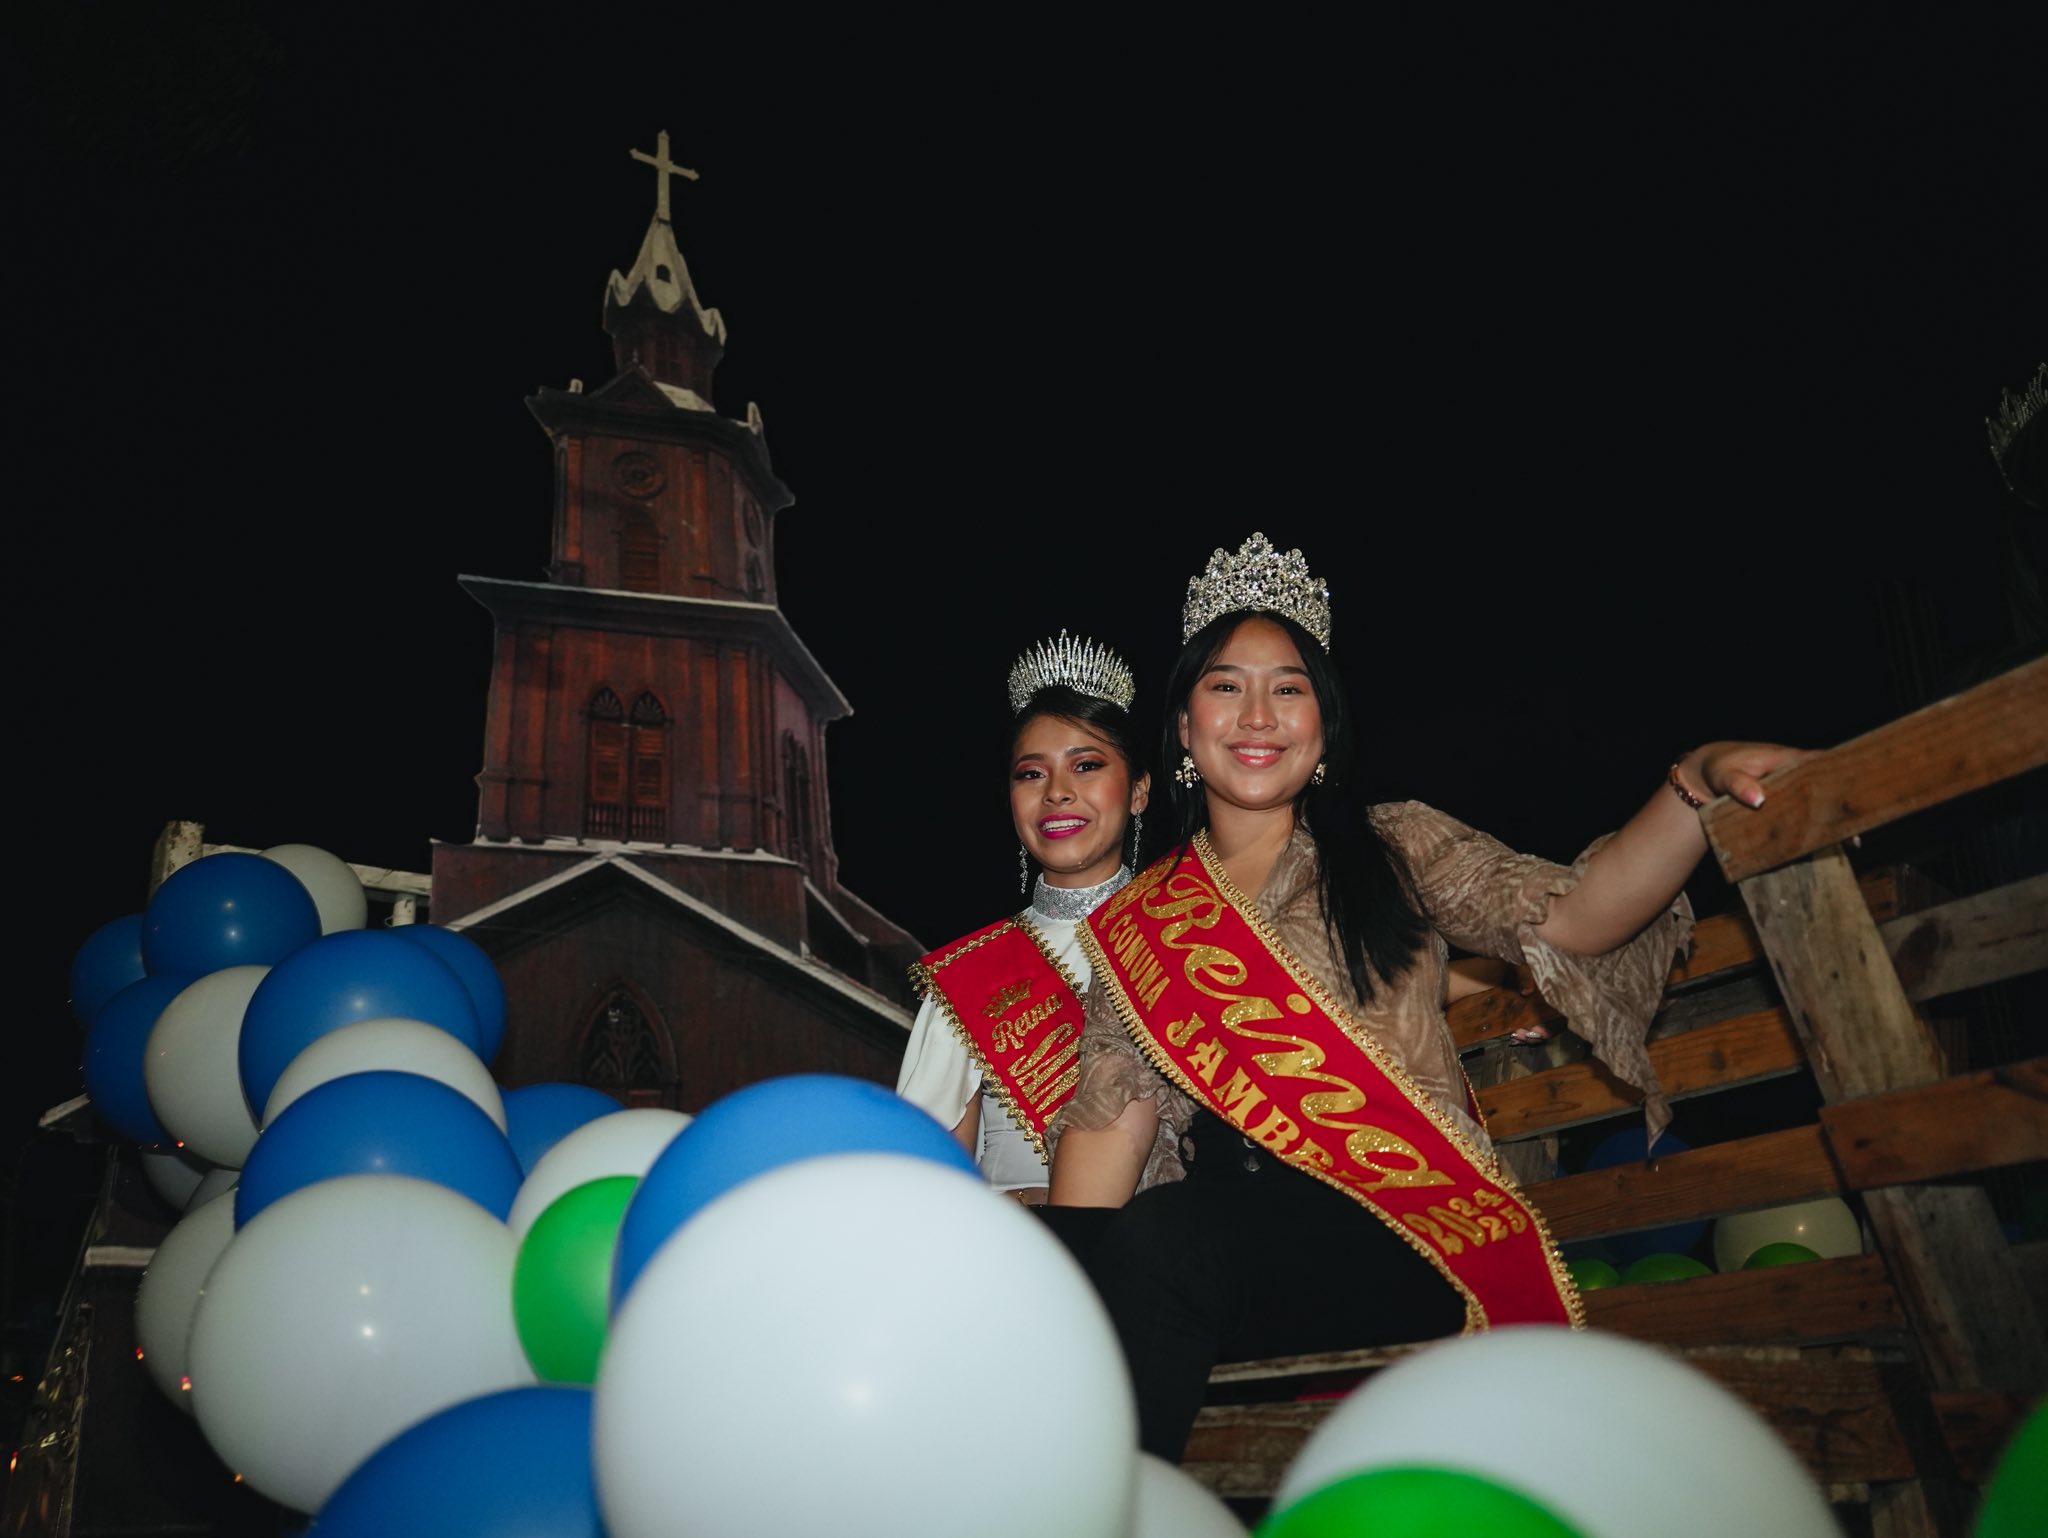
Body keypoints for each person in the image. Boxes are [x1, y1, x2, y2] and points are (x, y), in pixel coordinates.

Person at [1045, 532, 1799, 1458]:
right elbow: (1109, 1126)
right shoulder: (1142, 923)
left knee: (1168, 1244)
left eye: (1290, 688)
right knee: (1114, 1262)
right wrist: (1068, 1289)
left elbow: (1576, 915)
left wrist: (1694, 781)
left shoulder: (1395, 845)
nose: (1258, 715)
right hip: (1219, 1250)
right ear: (1184, 729)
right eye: (1226, 686)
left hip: (1403, 1225)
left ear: (1324, 724)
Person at [895, 632, 1152, 1202]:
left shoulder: (1187, 939)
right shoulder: (969, 974)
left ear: (1139, 790)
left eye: (1086, 766)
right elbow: (927, 1192)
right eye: (1031, 774)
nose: (1057, 792)